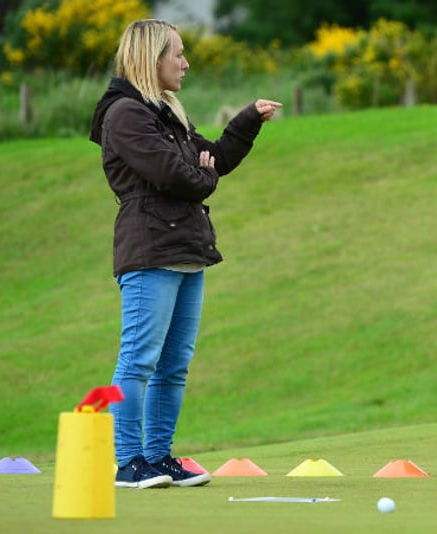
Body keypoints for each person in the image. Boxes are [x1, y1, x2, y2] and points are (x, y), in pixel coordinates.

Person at [88, 19, 282, 489]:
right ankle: (129, 461)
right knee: (138, 359)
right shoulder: (125, 114)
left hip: (187, 248)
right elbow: (177, 175)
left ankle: (157, 457)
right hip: (149, 247)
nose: (186, 62)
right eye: (178, 53)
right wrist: (203, 177)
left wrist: (247, 120)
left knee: (174, 363)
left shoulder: (166, 112)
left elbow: (212, 157)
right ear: (152, 58)